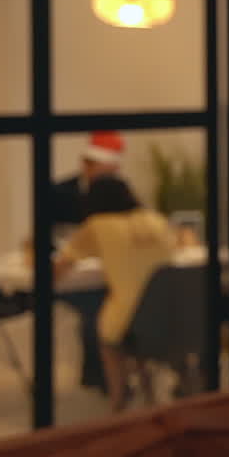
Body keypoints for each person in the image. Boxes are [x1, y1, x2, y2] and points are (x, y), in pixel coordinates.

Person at [53, 176, 177, 412]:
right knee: (134, 330)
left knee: (108, 330)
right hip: (167, 312)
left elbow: (60, 267)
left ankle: (117, 401)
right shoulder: (155, 219)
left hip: (128, 315)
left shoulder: (98, 224)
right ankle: (148, 394)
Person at [49, 130, 126, 394]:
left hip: (110, 272)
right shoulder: (59, 192)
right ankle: (100, 375)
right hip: (75, 275)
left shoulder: (118, 194)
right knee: (95, 304)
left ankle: (108, 375)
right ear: (87, 165)